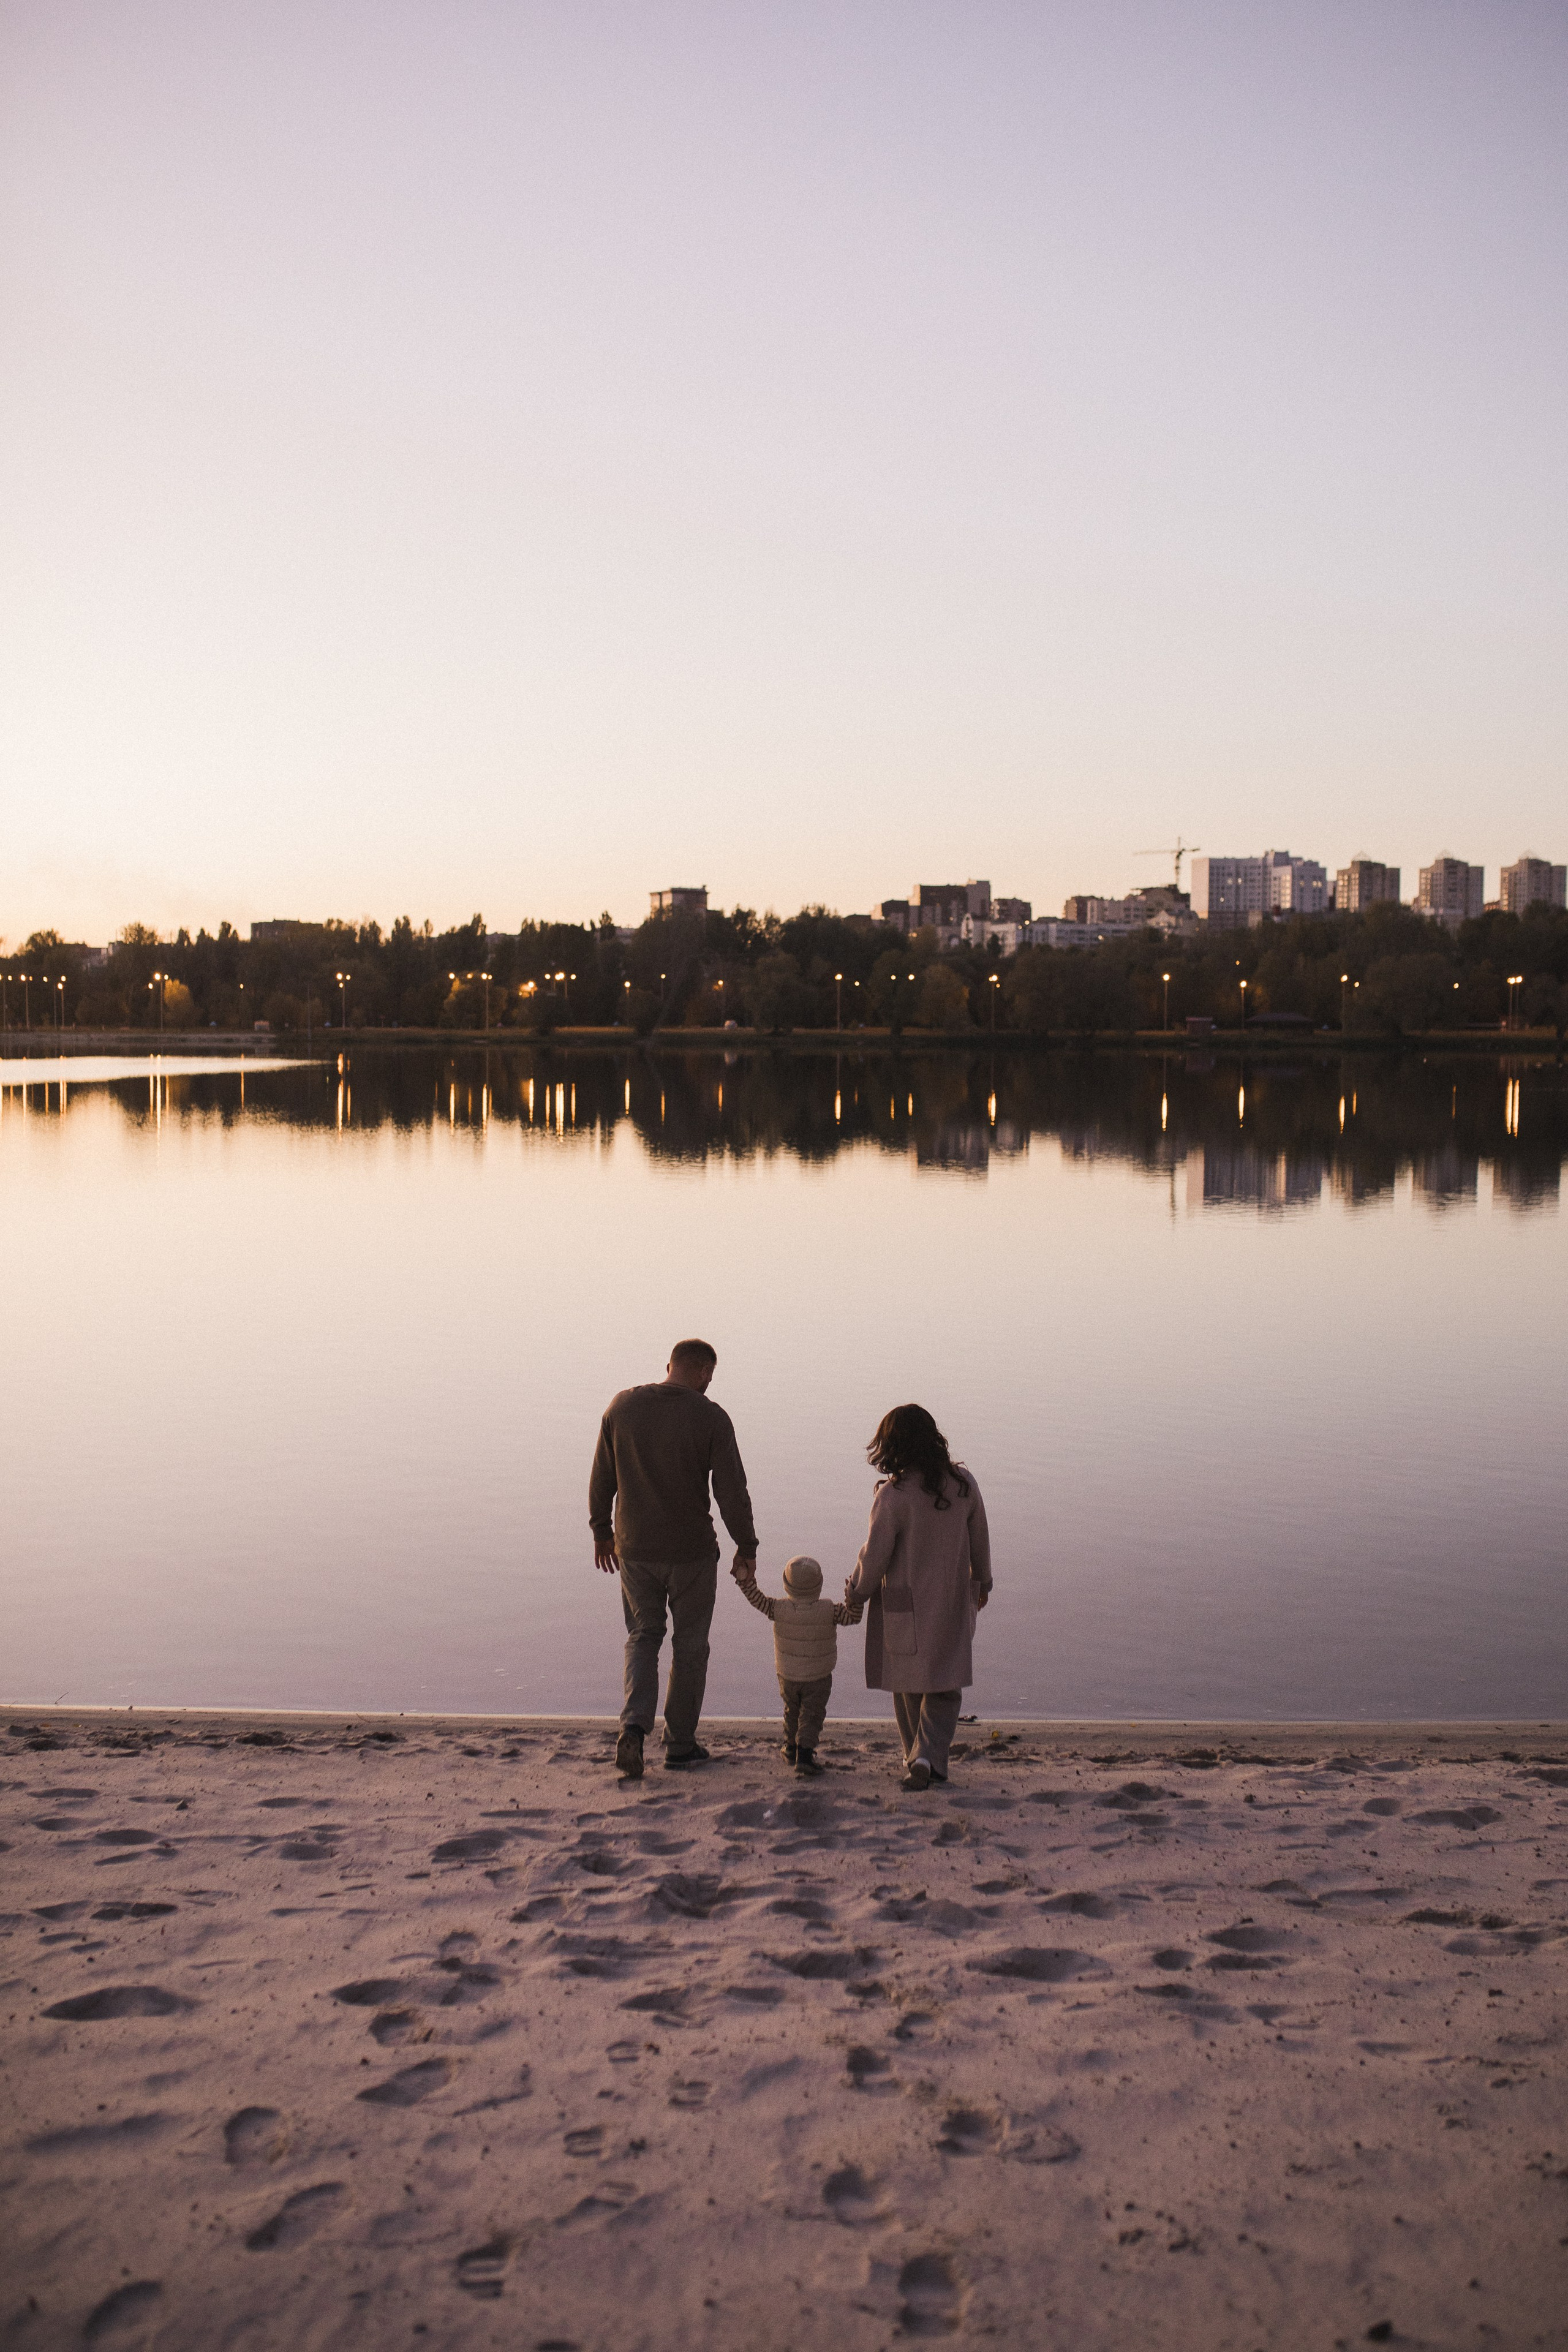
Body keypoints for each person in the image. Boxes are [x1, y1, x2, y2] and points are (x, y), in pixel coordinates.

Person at [589, 1338, 757, 1778]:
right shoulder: (711, 1417)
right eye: (710, 1377)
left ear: (669, 1365)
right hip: (691, 1554)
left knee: (643, 1635)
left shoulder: (622, 1407)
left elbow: (602, 1475)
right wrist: (748, 1544)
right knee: (690, 1646)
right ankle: (680, 1745)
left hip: (635, 1549)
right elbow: (731, 1493)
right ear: (704, 1372)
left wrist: (601, 1531)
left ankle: (633, 1728)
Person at [844, 1403, 990, 1792]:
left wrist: (857, 1591)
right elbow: (980, 1539)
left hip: (903, 1603)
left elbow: (874, 1555)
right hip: (953, 1599)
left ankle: (917, 1756)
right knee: (945, 1681)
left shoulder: (894, 1495)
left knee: (907, 1681)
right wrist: (985, 1581)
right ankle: (927, 1758)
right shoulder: (963, 1484)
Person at [734, 1553, 862, 1777]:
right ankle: (804, 1754)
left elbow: (756, 1599)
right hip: (819, 1676)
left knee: (791, 1710)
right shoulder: (830, 1610)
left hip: (787, 1675)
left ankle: (791, 1747)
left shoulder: (777, 1608)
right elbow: (853, 1617)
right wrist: (853, 1595)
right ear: (819, 1585)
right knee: (811, 1715)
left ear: (786, 1584)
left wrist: (745, 1581)